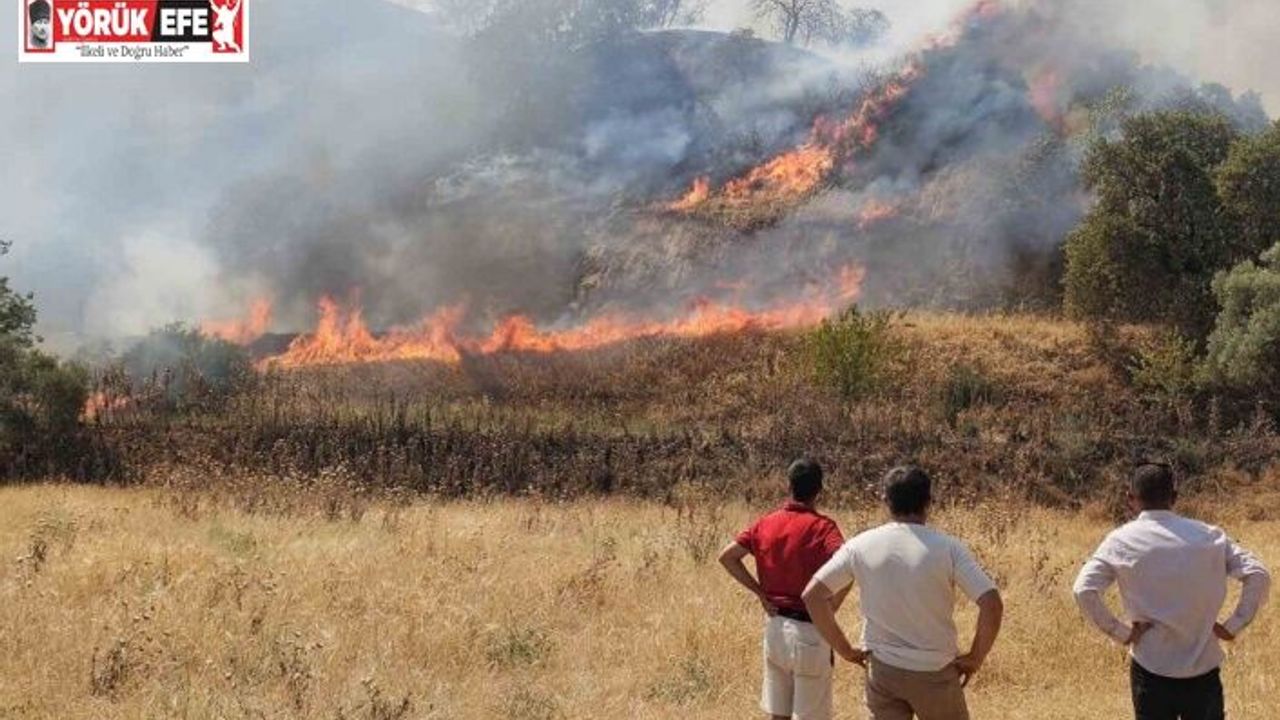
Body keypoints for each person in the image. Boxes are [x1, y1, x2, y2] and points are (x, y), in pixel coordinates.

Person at [802, 465, 1003, 720]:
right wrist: (975, 657)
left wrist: (845, 650)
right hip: (936, 671)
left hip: (883, 672)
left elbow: (813, 595)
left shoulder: (861, 545)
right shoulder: (949, 549)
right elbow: (991, 603)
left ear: (886, 499)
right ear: (929, 501)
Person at [1073, 463, 1271, 720]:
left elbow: (1083, 589)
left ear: (1130, 498)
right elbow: (1258, 574)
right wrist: (1233, 625)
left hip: (1150, 667)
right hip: (1203, 669)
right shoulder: (1210, 536)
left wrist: (1122, 633)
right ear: (1174, 497)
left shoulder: (1120, 540)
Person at [719, 458, 847, 720]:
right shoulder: (823, 528)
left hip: (776, 628)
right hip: (811, 630)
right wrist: (831, 604)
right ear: (819, 490)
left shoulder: (765, 523)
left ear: (788, 485)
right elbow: (848, 564)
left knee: (778, 714)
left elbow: (728, 557)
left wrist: (760, 593)